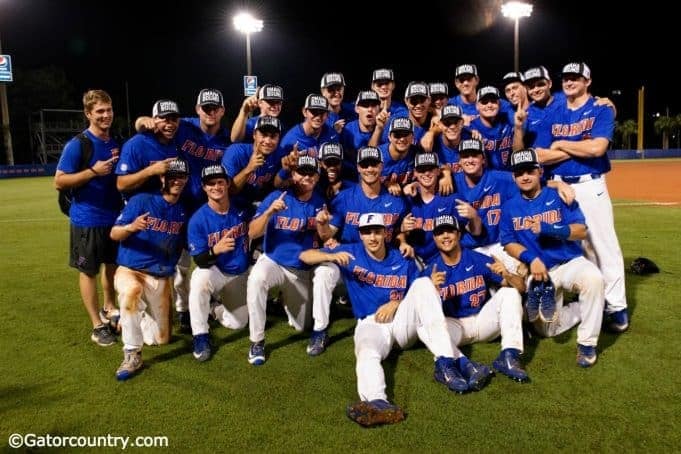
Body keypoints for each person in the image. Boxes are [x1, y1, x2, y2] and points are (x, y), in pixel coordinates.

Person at [300, 213, 473, 428]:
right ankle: (377, 402)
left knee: (423, 284)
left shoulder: (402, 256)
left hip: (402, 321)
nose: (372, 237)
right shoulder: (350, 252)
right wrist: (332, 257)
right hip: (371, 322)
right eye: (366, 232)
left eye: (377, 231)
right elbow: (305, 256)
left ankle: (447, 363)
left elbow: (419, 291)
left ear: (385, 233)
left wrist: (396, 302)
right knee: (366, 352)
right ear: (360, 235)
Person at [533, 62, 628, 333]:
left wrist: (562, 144)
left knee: (603, 246)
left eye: (575, 78)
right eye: (566, 78)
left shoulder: (601, 109)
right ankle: (595, 300)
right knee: (581, 247)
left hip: (590, 185)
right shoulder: (555, 112)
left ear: (587, 81)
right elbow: (540, 154)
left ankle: (617, 307)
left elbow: (598, 148)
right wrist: (579, 147)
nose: (569, 82)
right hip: (561, 186)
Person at [499, 148, 604, 368]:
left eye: (529, 171)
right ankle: (581, 308)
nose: (525, 176)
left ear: (540, 172)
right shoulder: (509, 207)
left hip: (568, 262)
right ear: (513, 177)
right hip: (538, 271)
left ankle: (587, 343)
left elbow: (581, 230)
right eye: (519, 173)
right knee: (548, 330)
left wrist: (550, 228)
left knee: (594, 279)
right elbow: (508, 242)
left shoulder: (559, 195)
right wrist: (530, 258)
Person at [308, 146, 410, 356]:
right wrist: (323, 226)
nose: (370, 169)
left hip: (380, 265)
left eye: (374, 164)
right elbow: (329, 236)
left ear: (381, 166)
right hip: (349, 260)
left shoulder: (397, 201)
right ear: (358, 168)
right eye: (365, 165)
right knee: (324, 273)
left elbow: (401, 232)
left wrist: (403, 239)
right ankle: (319, 329)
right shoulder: (345, 198)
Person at [110, 158, 190, 380]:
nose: (176, 181)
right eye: (172, 176)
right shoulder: (141, 201)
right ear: (162, 178)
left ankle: (127, 318)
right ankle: (131, 353)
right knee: (132, 292)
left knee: (160, 340)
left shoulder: (183, 211)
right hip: (130, 269)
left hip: (160, 276)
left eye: (181, 177)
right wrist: (131, 227)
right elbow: (114, 234)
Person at [54, 89, 122, 346]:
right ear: (88, 114)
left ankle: (109, 306)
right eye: (100, 112)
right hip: (87, 219)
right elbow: (59, 180)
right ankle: (97, 325)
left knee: (112, 266)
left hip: (113, 217)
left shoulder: (115, 142)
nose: (106, 115)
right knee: (89, 270)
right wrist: (92, 172)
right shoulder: (78, 144)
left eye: (109, 110)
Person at [425, 214, 529, 383]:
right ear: (435, 238)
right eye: (440, 232)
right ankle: (461, 364)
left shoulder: (477, 259)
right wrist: (431, 290)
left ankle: (509, 355)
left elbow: (522, 288)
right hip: (455, 327)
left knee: (509, 292)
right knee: (426, 327)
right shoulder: (432, 270)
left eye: (450, 231)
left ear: (458, 234)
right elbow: (424, 313)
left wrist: (507, 275)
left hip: (483, 321)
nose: (445, 236)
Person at [246, 156, 328, 365]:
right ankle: (257, 341)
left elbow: (326, 238)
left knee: (302, 326)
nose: (306, 177)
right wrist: (269, 212)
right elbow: (252, 233)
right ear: (293, 174)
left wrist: (322, 226)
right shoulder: (277, 196)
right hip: (273, 260)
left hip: (300, 269)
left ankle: (282, 301)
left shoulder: (320, 202)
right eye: (301, 172)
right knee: (256, 279)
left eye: (311, 173)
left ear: (317, 177)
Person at [187, 164, 250, 362]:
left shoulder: (242, 208)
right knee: (199, 279)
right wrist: (216, 249)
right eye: (211, 184)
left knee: (238, 323)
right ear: (204, 187)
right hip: (216, 269)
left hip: (240, 271)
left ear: (228, 183)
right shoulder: (197, 219)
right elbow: (199, 260)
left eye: (220, 182)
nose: (216, 187)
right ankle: (200, 335)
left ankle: (214, 308)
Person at [401, 153, 482, 266]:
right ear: (415, 173)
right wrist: (403, 229)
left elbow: (476, 232)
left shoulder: (452, 199)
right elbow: (396, 233)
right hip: (416, 259)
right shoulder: (408, 199)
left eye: (431, 169)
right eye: (421, 170)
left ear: (438, 171)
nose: (426, 173)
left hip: (446, 260)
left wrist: (474, 217)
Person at [279, 94, 339, 159]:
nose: (318, 117)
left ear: (327, 115)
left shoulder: (332, 134)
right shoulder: (290, 140)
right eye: (314, 112)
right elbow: (283, 166)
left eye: (322, 113)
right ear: (304, 112)